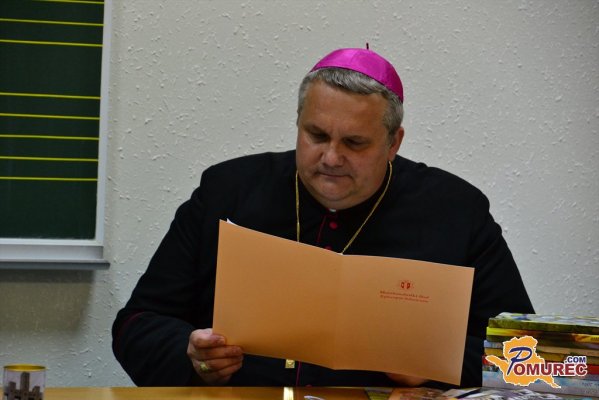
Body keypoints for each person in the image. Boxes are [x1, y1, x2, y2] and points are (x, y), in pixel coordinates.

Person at [112, 47, 534, 388]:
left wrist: (437, 362)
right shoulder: (227, 191)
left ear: (393, 143)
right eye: (316, 135)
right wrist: (191, 354)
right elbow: (135, 324)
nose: (331, 157)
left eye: (354, 142)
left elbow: (535, 358)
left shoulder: (456, 210)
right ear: (298, 123)